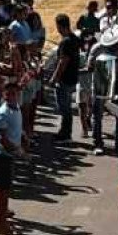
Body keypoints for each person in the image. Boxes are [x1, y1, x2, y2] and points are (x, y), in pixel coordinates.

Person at [0, 80, 23, 235]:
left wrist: (23, 138)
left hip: (9, 153)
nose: (12, 96)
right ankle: (2, 224)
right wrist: (18, 150)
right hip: (3, 154)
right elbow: (2, 138)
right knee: (3, 190)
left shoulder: (16, 108)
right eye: (9, 93)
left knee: (2, 188)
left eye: (15, 93)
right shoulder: (3, 112)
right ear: (4, 95)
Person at [51, 13, 81, 142]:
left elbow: (63, 61)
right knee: (67, 106)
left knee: (64, 108)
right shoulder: (74, 38)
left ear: (59, 26)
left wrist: (54, 78)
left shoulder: (65, 42)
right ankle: (65, 131)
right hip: (72, 77)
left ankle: (65, 133)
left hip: (64, 78)